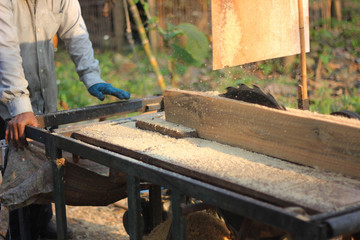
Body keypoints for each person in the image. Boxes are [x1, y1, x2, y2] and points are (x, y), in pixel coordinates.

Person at [0, 0, 130, 239]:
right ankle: (18, 232)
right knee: (18, 162)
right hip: (6, 95)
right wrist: (19, 104)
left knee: (45, 158)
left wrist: (92, 76)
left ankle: (42, 223)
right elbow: (5, 51)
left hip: (42, 92)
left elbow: (75, 34)